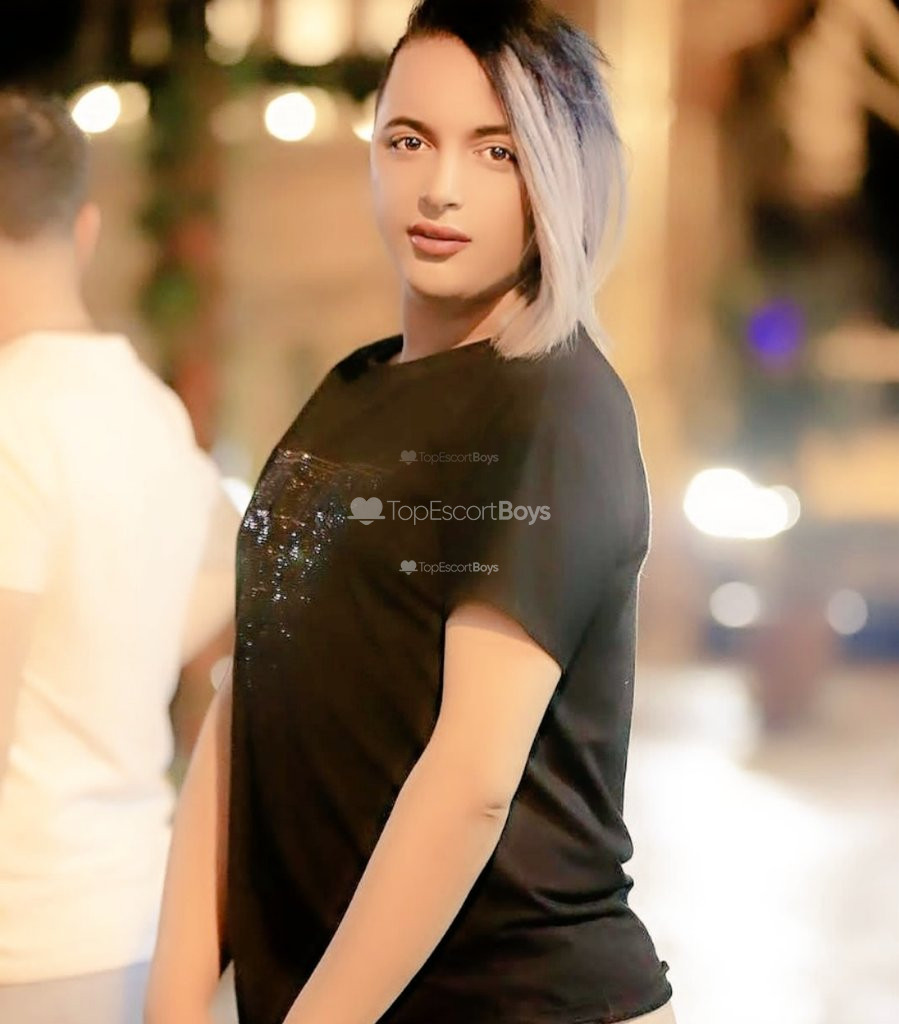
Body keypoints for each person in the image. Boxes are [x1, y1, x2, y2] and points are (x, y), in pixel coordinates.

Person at [147, 2, 677, 1022]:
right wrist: (171, 1001)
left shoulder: (554, 407)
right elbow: (248, 696)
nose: (439, 186)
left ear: (558, 176)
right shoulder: (348, 394)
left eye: (495, 151)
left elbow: (471, 780)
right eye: (407, 139)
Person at [0, 89, 240, 1024]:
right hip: (138, 921)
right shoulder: (153, 411)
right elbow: (226, 576)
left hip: (21, 934)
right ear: (85, 229)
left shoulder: (10, 419)